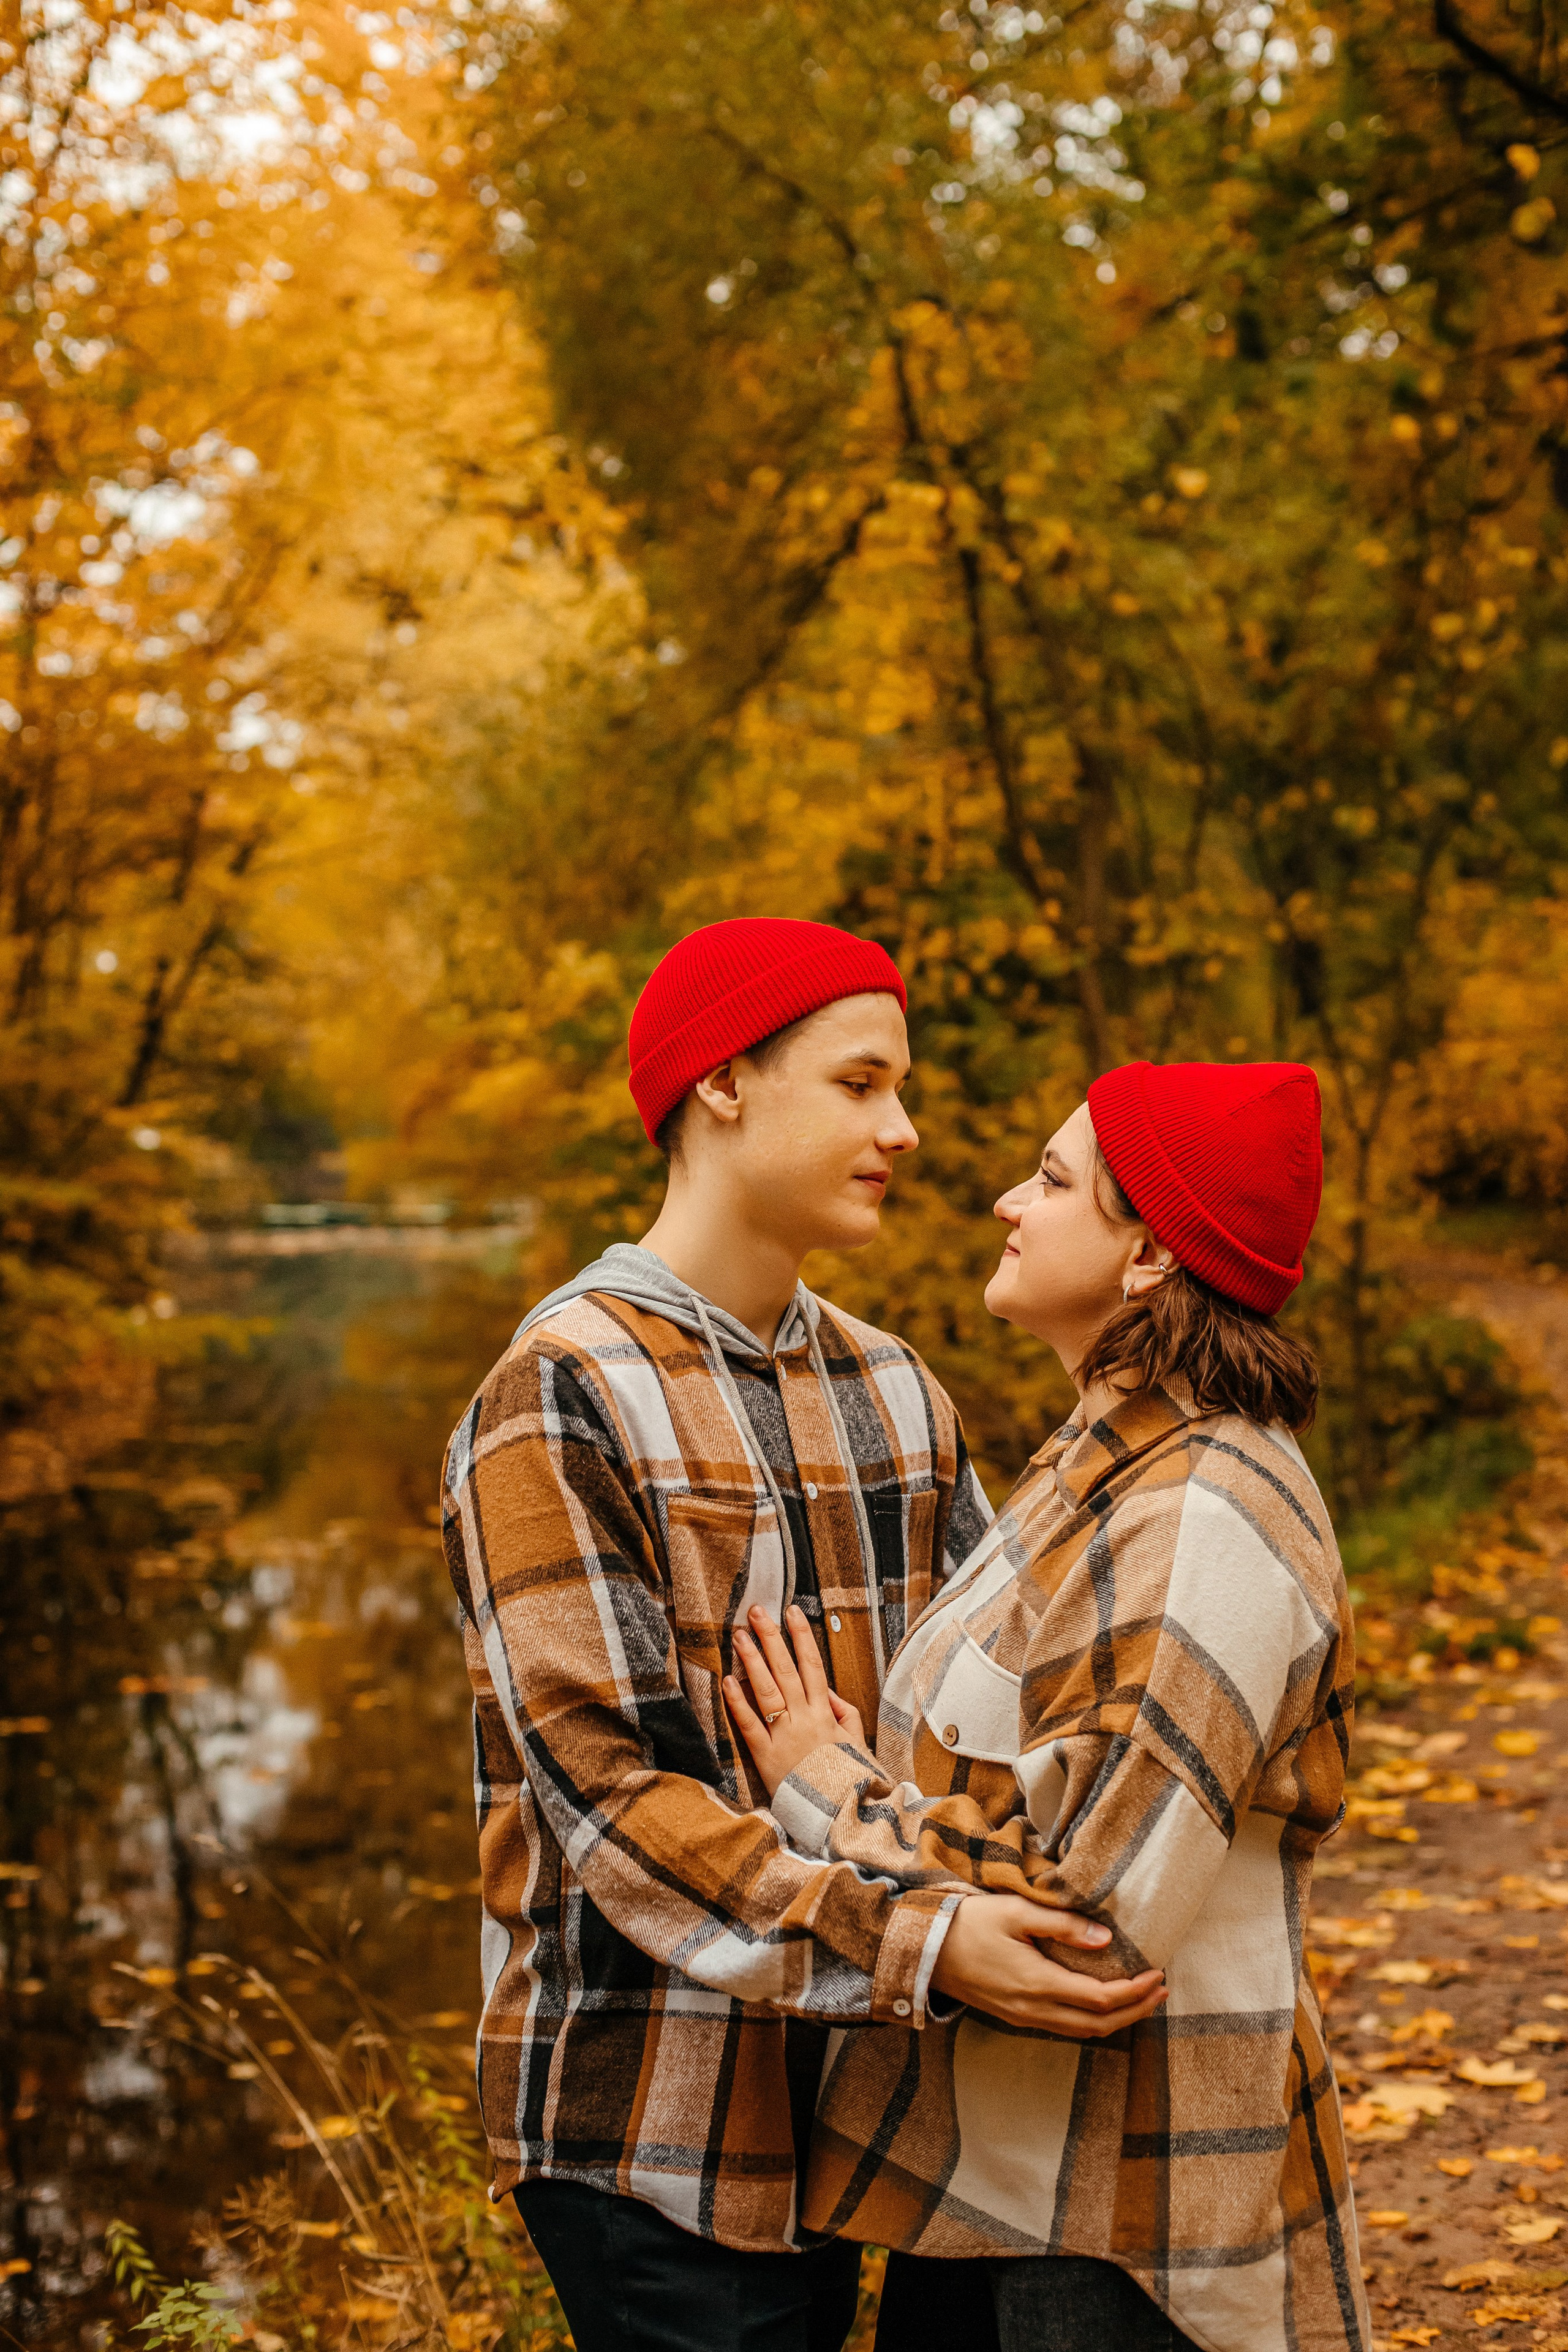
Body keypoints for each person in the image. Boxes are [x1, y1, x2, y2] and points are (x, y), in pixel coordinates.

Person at [442, 919, 1167, 2352]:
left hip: (885, 2096)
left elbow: (985, 1712)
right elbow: (612, 1808)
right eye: (857, 1085)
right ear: (720, 1083)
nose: (900, 1129)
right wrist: (921, 1944)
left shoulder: (893, 1386)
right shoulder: (556, 1393)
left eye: (895, 1090)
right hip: (658, 2125)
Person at [726, 1060, 1369, 2352]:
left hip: (1124, 2242)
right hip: (997, 2201)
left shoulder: (1203, 1515)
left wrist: (821, 1783)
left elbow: (1091, 1920)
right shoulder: (1095, 1464)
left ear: (1144, 1259)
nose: (1010, 1203)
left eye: (1053, 1179)